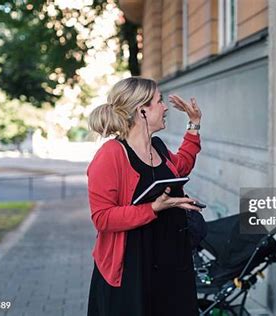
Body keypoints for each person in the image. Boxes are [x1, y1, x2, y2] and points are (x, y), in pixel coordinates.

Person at [86, 77, 203, 316]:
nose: (165, 107)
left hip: (173, 261)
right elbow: (102, 218)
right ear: (142, 111)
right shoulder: (111, 154)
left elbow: (182, 165)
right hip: (134, 268)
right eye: (159, 101)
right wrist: (153, 208)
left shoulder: (158, 147)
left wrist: (194, 123)